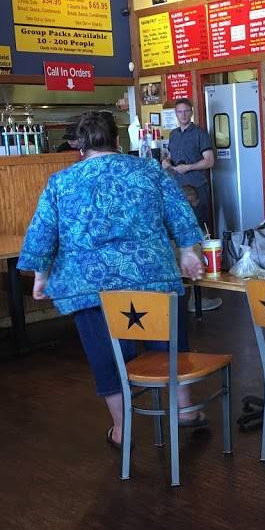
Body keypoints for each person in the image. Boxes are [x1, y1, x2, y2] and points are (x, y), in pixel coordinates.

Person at [18, 111, 207, 450]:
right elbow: (180, 212)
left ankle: (122, 429)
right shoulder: (149, 170)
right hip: (152, 277)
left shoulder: (61, 182)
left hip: (90, 286)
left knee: (106, 355)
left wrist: (40, 276)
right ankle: (185, 409)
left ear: (81, 146)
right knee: (169, 342)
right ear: (118, 141)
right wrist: (188, 252)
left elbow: (42, 231)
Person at [162, 98, 214, 236]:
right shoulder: (173, 134)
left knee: (201, 225)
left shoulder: (200, 133)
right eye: (180, 112)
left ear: (191, 112)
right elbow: (171, 156)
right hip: (178, 187)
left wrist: (188, 167)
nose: (183, 114)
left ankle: (207, 250)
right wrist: (166, 161)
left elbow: (209, 161)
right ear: (176, 114)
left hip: (197, 186)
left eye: (186, 111)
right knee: (182, 225)